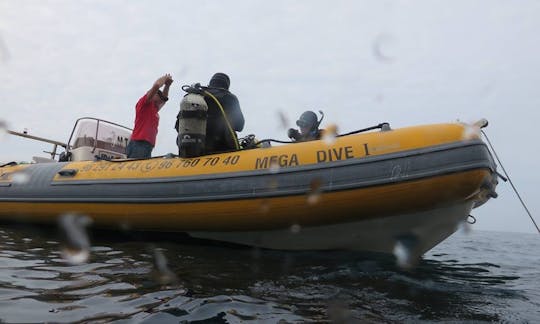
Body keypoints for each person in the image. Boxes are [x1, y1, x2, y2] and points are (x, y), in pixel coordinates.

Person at [126, 74, 173, 159]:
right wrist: (165, 79)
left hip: (147, 146)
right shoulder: (144, 103)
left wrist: (167, 86)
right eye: (158, 95)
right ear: (152, 94)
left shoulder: (154, 109)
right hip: (139, 144)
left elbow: (164, 99)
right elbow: (156, 86)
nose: (160, 98)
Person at [201, 72, 244, 153]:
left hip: (196, 149)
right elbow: (240, 126)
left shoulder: (198, 97)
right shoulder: (229, 98)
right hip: (223, 150)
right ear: (227, 86)